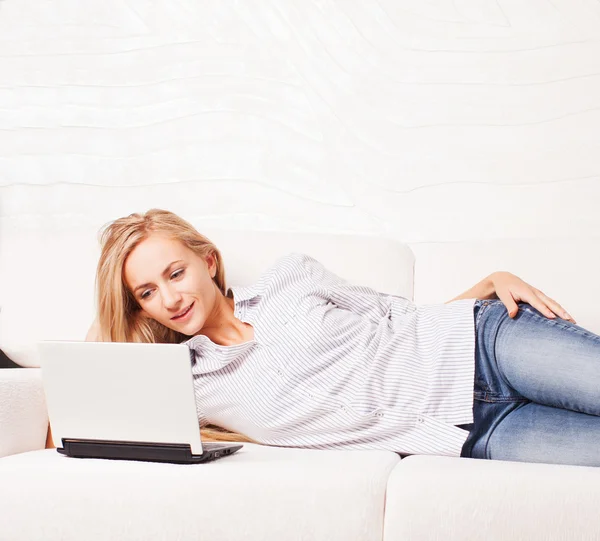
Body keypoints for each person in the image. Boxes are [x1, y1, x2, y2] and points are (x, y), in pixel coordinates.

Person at [67, 208, 600, 467]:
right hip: (473, 434)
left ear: (207, 261)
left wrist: (489, 283)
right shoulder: (189, 381)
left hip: (484, 345)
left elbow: (395, 314)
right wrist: (116, 309)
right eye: (146, 292)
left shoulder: (290, 276)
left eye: (175, 273)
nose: (170, 298)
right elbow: (80, 416)